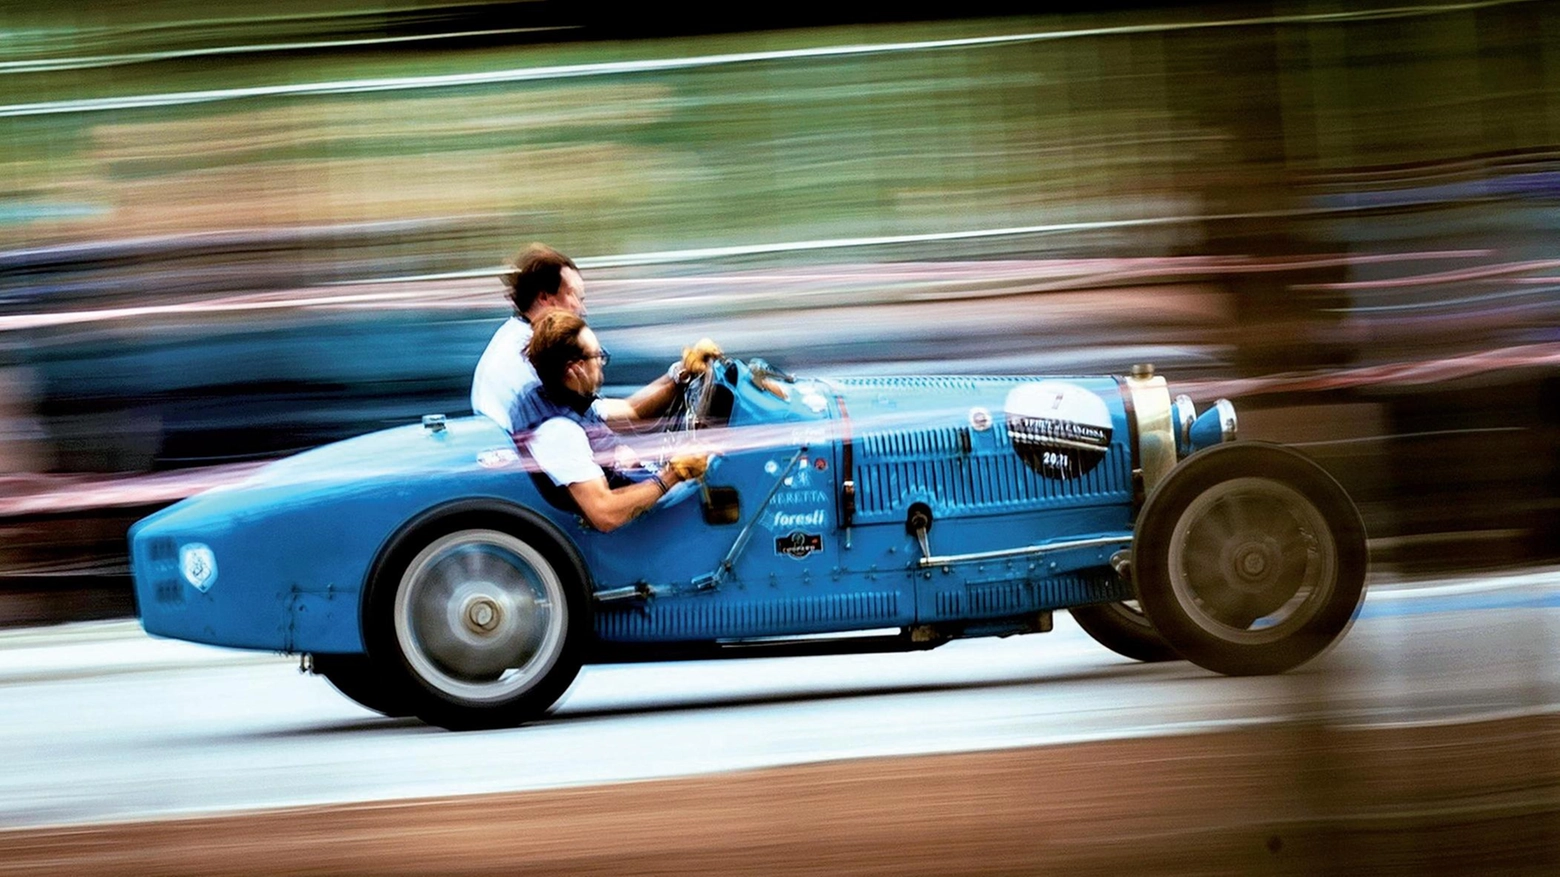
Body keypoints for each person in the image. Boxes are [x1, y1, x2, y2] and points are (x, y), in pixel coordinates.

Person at [471, 242, 720, 432]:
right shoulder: (536, 357)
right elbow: (623, 417)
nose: (582, 310)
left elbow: (626, 410)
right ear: (545, 297)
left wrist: (679, 375)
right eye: (576, 297)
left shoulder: (513, 338)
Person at [516, 310, 711, 532]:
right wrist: (674, 474)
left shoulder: (563, 395)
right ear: (576, 368)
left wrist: (680, 374)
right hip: (639, 524)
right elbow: (604, 514)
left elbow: (633, 410)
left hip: (640, 481)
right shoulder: (559, 432)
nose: (601, 362)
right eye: (597, 356)